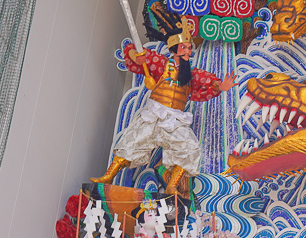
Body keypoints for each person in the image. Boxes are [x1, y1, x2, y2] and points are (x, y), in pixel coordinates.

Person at [91, 20, 236, 195]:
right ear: (174, 49)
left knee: (189, 148)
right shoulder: (160, 64)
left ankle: (171, 186)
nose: (188, 52)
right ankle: (108, 176)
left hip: (175, 120)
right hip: (154, 114)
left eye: (189, 48)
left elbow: (207, 82)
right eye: (184, 47)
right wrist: (135, 56)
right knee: (131, 142)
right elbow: (132, 49)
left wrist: (220, 86)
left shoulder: (191, 74)